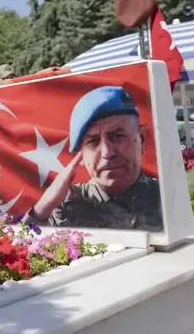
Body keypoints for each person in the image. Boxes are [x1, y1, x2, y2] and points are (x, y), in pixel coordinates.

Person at [25, 86, 163, 232]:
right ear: (81, 156)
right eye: (93, 141)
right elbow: (24, 248)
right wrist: (42, 210)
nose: (107, 153)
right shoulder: (63, 206)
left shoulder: (168, 196)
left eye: (117, 136)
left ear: (141, 139)